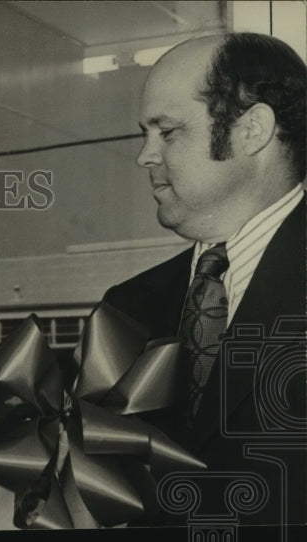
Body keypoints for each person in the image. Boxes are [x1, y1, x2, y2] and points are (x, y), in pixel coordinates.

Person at [101, 33, 305, 526]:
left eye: (167, 132)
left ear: (252, 129)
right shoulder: (125, 309)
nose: (145, 157)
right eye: (145, 135)